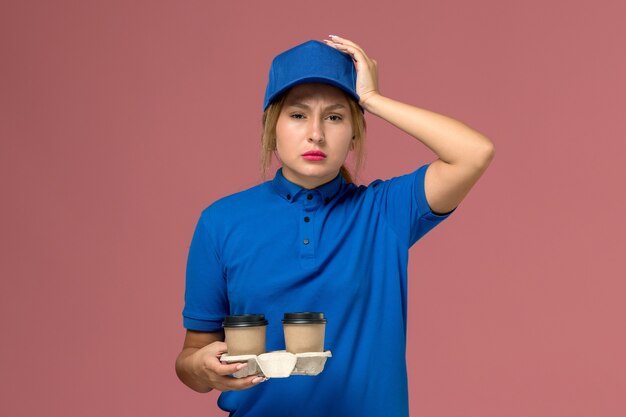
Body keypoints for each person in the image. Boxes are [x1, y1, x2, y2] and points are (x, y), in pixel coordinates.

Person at [175, 35, 494, 417]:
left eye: (335, 116)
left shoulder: (384, 211)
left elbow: (474, 153)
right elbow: (192, 358)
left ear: (356, 130)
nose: (316, 133)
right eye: (297, 115)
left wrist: (374, 99)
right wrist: (200, 368)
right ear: (271, 127)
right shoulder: (221, 222)